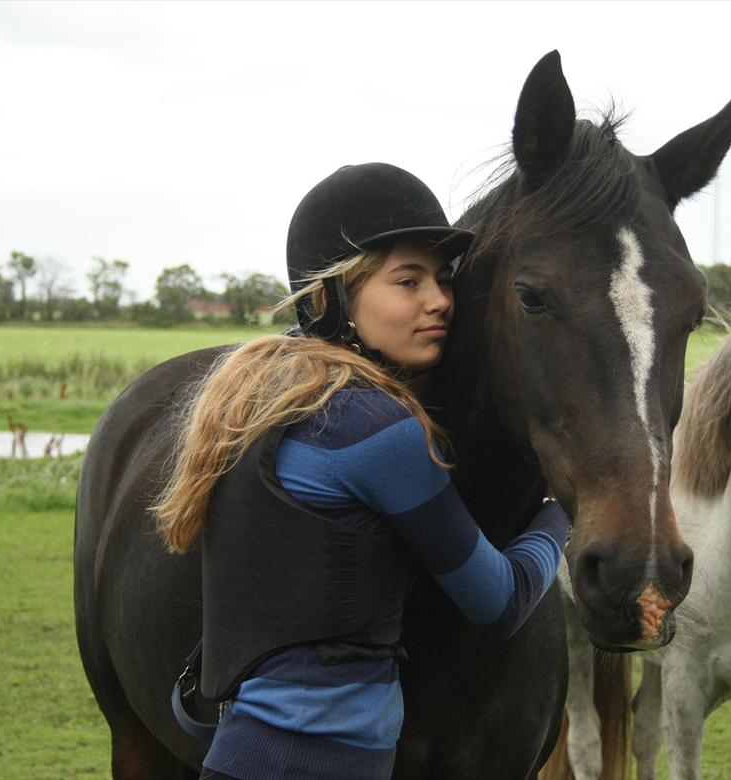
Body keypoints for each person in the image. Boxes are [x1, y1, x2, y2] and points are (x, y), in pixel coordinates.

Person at [154, 162, 570, 780]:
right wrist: (563, 506)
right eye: (407, 281)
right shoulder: (372, 428)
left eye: (442, 278)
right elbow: (500, 602)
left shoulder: (260, 397)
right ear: (330, 297)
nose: (439, 301)